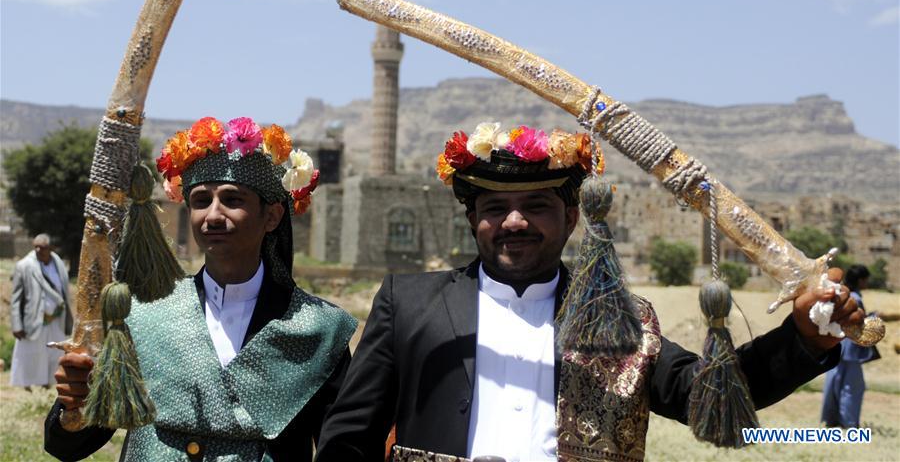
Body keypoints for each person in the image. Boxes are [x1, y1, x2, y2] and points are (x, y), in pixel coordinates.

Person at [315, 122, 863, 462]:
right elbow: (349, 437)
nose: (514, 223)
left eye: (536, 207)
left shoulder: (623, 322)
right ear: (471, 219)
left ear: (573, 216)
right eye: (494, 209)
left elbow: (710, 394)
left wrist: (805, 338)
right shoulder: (409, 304)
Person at [44, 117, 357, 462]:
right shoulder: (144, 314)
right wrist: (76, 402)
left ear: (272, 216)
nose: (213, 215)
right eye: (201, 200)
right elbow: (69, 446)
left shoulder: (318, 330)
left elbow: (343, 448)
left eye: (232, 199)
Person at [10, 233, 73, 390]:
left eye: (43, 247)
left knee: (54, 353)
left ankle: (48, 384)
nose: (38, 250)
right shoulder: (24, 266)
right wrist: (16, 324)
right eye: (36, 246)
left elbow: (64, 292)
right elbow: (16, 298)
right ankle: (27, 385)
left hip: (56, 319)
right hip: (33, 320)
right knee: (31, 354)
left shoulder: (58, 264)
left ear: (50, 248)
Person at [821, 264, 876, 428]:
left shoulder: (843, 295)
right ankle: (849, 422)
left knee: (834, 383)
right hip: (850, 350)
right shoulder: (856, 299)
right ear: (861, 280)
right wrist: (874, 318)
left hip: (837, 346)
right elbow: (857, 324)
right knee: (852, 387)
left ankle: (832, 419)